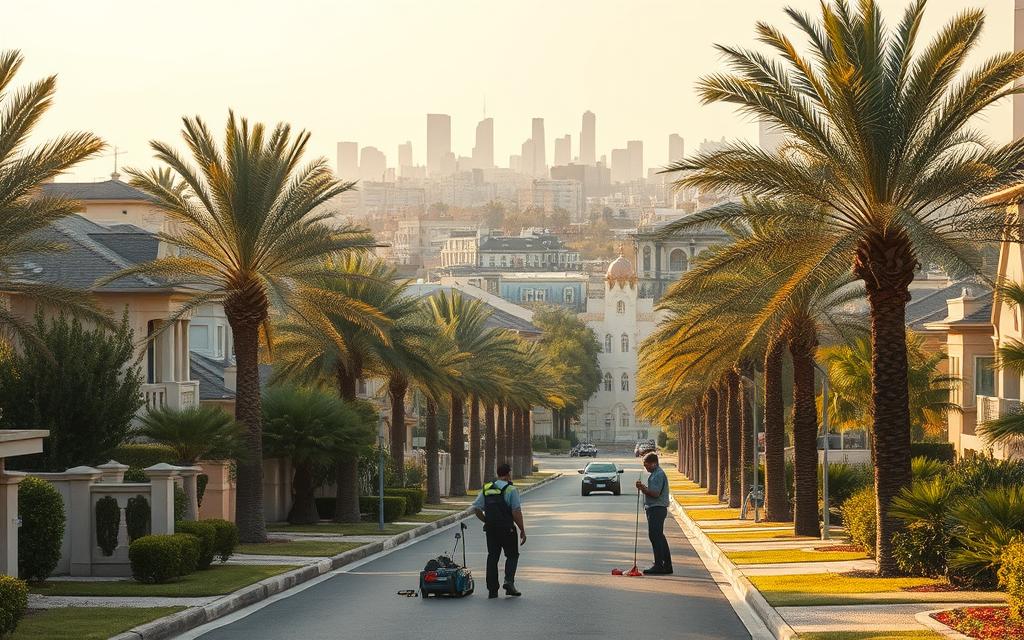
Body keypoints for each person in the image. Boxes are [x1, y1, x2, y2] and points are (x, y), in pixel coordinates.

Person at [472, 463, 527, 598]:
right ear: (508, 474)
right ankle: (509, 582)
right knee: (512, 555)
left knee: (492, 557)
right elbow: (516, 511)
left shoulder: (487, 488)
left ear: (498, 474)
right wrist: (522, 529)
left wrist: (486, 521)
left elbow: (476, 508)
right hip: (507, 529)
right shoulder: (511, 490)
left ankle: (492, 590)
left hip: (491, 529)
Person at [635, 451, 672, 575]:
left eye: (647, 465)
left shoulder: (658, 474)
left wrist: (643, 488)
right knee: (659, 536)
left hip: (657, 508)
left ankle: (659, 565)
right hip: (654, 508)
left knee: (655, 536)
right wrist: (644, 487)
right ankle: (666, 564)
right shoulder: (655, 474)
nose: (646, 468)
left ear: (654, 463)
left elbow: (655, 493)